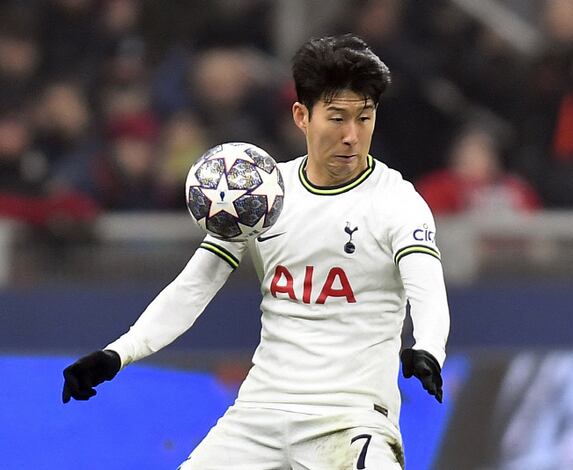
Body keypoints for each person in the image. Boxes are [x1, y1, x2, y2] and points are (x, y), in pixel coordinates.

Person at [62, 34, 450, 469]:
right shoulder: (262, 195)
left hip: (349, 418)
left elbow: (428, 290)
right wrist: (119, 353)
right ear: (302, 116)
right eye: (337, 118)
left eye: (364, 118)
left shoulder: (397, 202)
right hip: (259, 414)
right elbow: (195, 285)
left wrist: (428, 348)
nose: (351, 136)